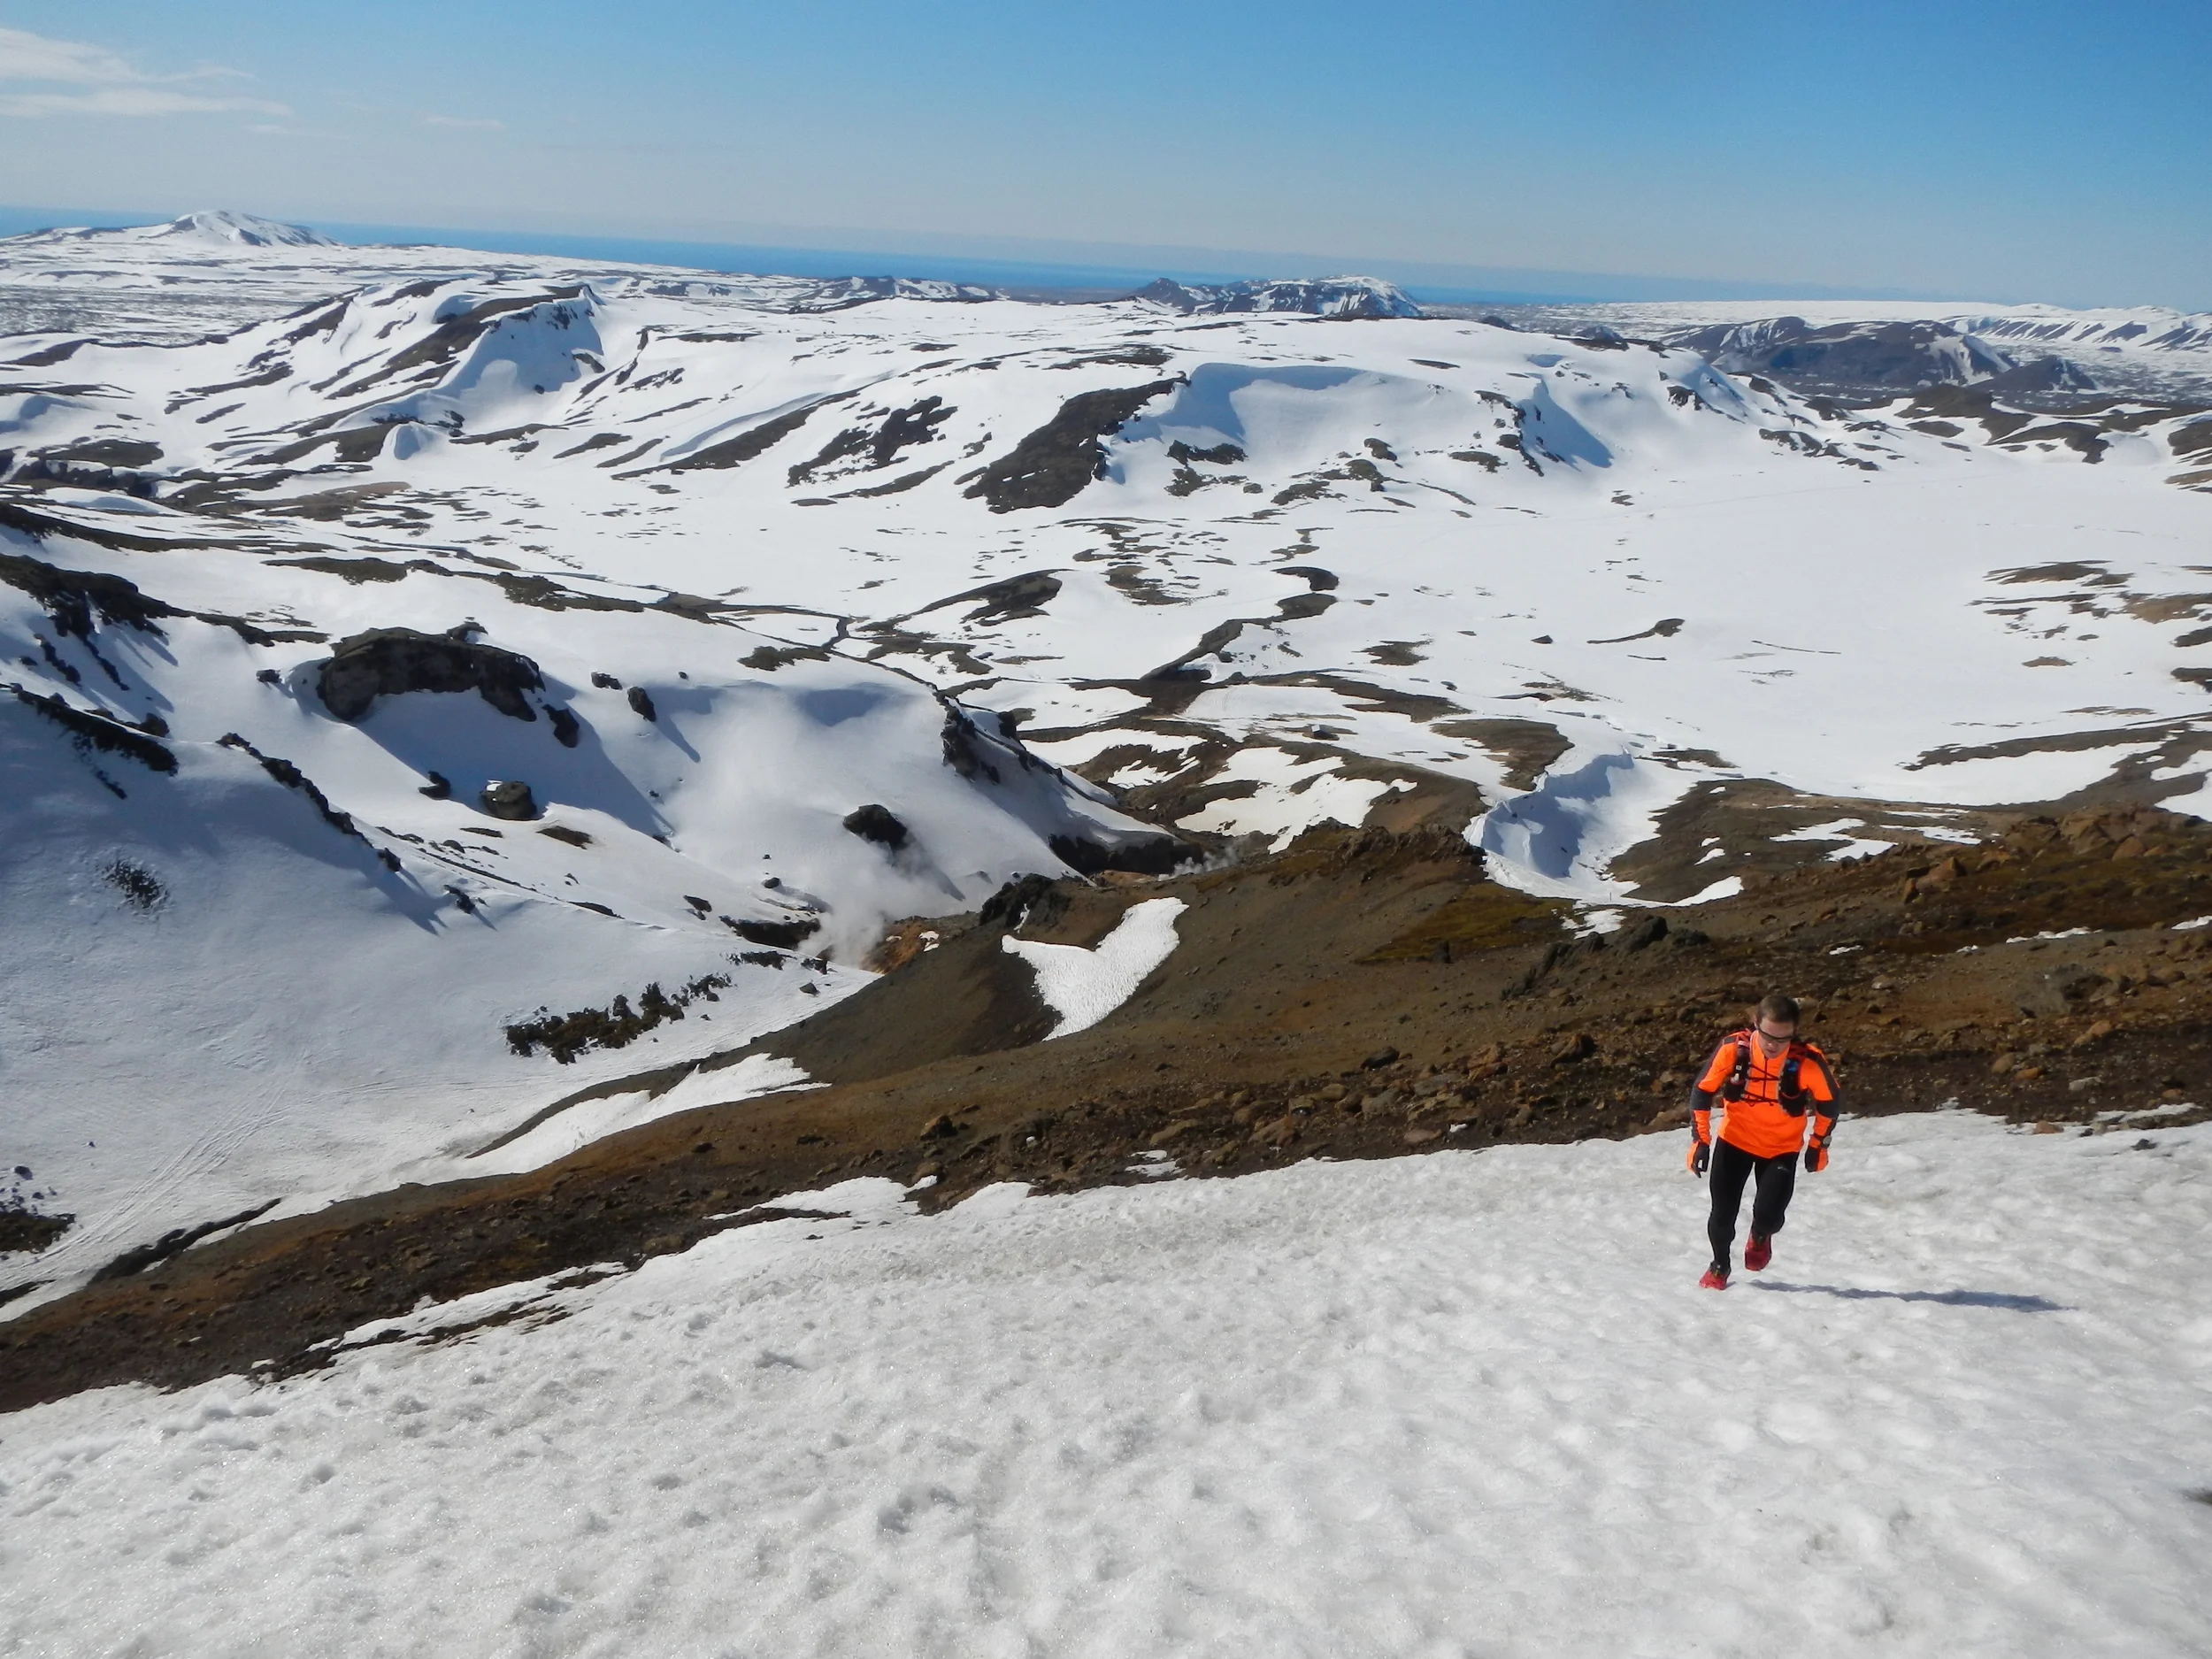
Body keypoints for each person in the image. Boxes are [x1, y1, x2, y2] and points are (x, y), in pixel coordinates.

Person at [1684, 993, 1838, 1289]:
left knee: (1770, 1217)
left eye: (1783, 1039)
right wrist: (1700, 1140)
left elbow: (1829, 1104)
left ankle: (1760, 1233)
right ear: (1755, 1024)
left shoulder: (1808, 1061)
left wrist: (1818, 1144)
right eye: (1767, 1036)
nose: (1773, 1045)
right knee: (1721, 1214)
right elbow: (1702, 1091)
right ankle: (1719, 1266)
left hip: (1781, 1149)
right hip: (1735, 1141)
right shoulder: (1734, 1049)